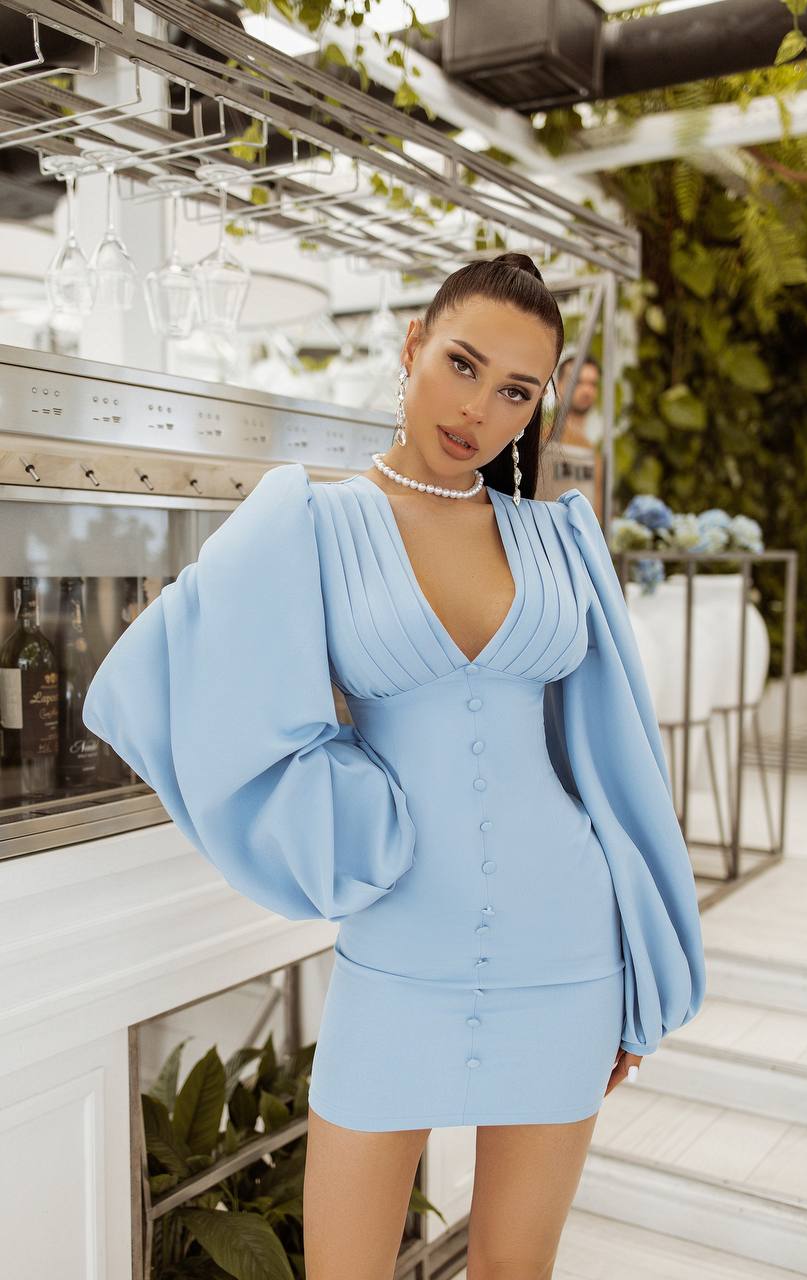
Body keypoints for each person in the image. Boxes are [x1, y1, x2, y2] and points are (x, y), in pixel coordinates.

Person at [81, 252, 706, 1280]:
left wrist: (641, 962)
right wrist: (347, 796)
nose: (479, 407)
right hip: (399, 940)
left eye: (515, 390)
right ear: (410, 347)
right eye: (461, 364)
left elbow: (614, 760)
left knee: (516, 1270)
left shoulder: (561, 540)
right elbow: (163, 673)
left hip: (568, 945)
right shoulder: (310, 523)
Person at [538, 353, 604, 517]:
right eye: (578, 382)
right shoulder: (542, 439)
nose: (587, 390)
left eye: (592, 384)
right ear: (559, 385)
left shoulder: (593, 450)